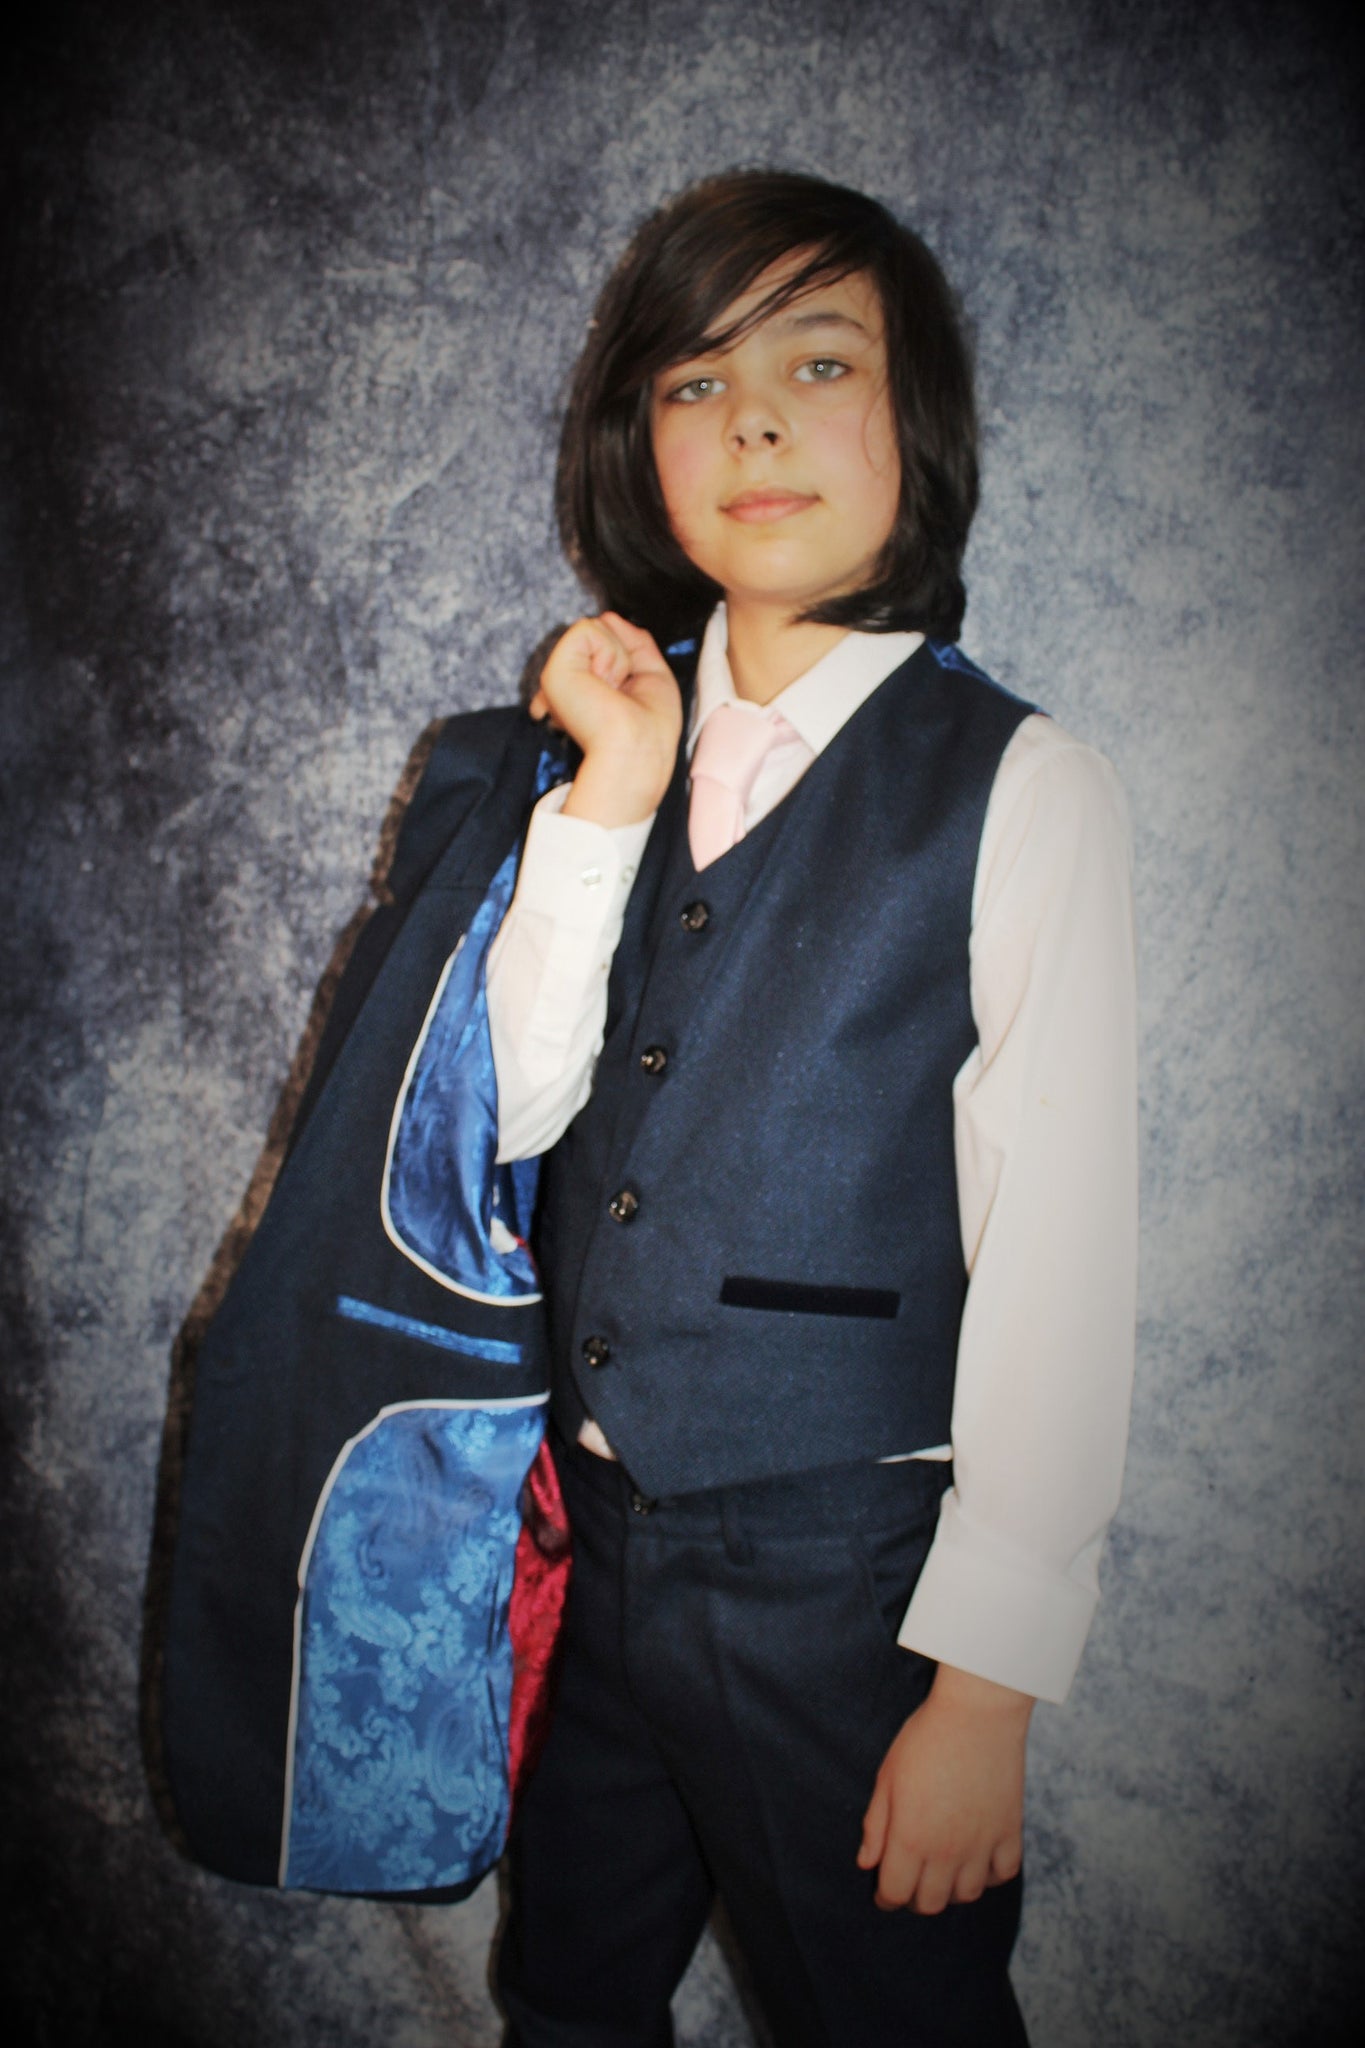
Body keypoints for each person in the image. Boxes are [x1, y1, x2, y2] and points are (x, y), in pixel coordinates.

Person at [484, 169, 1137, 2048]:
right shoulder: (599, 752)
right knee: (566, 2001)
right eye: (693, 382)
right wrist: (608, 796)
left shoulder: (1022, 785)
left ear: (913, 422)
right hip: (597, 1555)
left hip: (839, 1590)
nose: (752, 420)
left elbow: (1061, 1250)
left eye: (816, 363)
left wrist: (985, 1684)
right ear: (638, 445)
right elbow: (512, 1115)